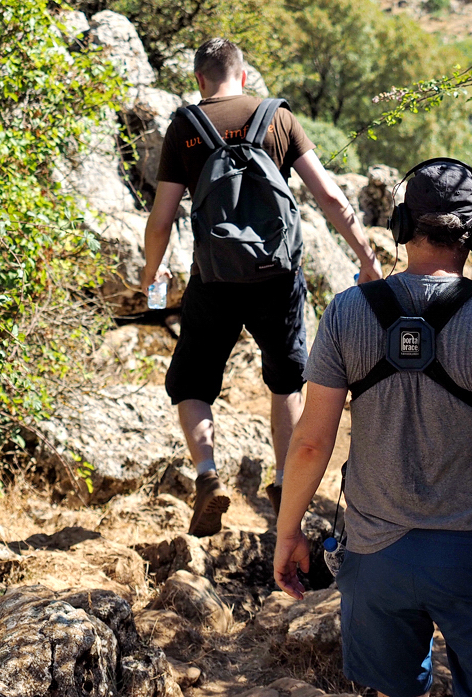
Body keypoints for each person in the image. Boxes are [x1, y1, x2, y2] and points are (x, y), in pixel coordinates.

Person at [273, 160, 472, 697]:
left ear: (402, 226)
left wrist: (288, 535)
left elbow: (310, 442)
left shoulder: (346, 313)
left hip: (376, 557)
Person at [140, 38, 382, 537]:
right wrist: (367, 257)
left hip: (214, 276)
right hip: (279, 277)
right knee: (286, 378)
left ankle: (207, 477)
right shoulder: (278, 118)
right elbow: (332, 197)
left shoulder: (185, 126)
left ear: (199, 80)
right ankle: (282, 481)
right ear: (244, 75)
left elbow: (161, 219)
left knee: (191, 379)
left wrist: (151, 272)